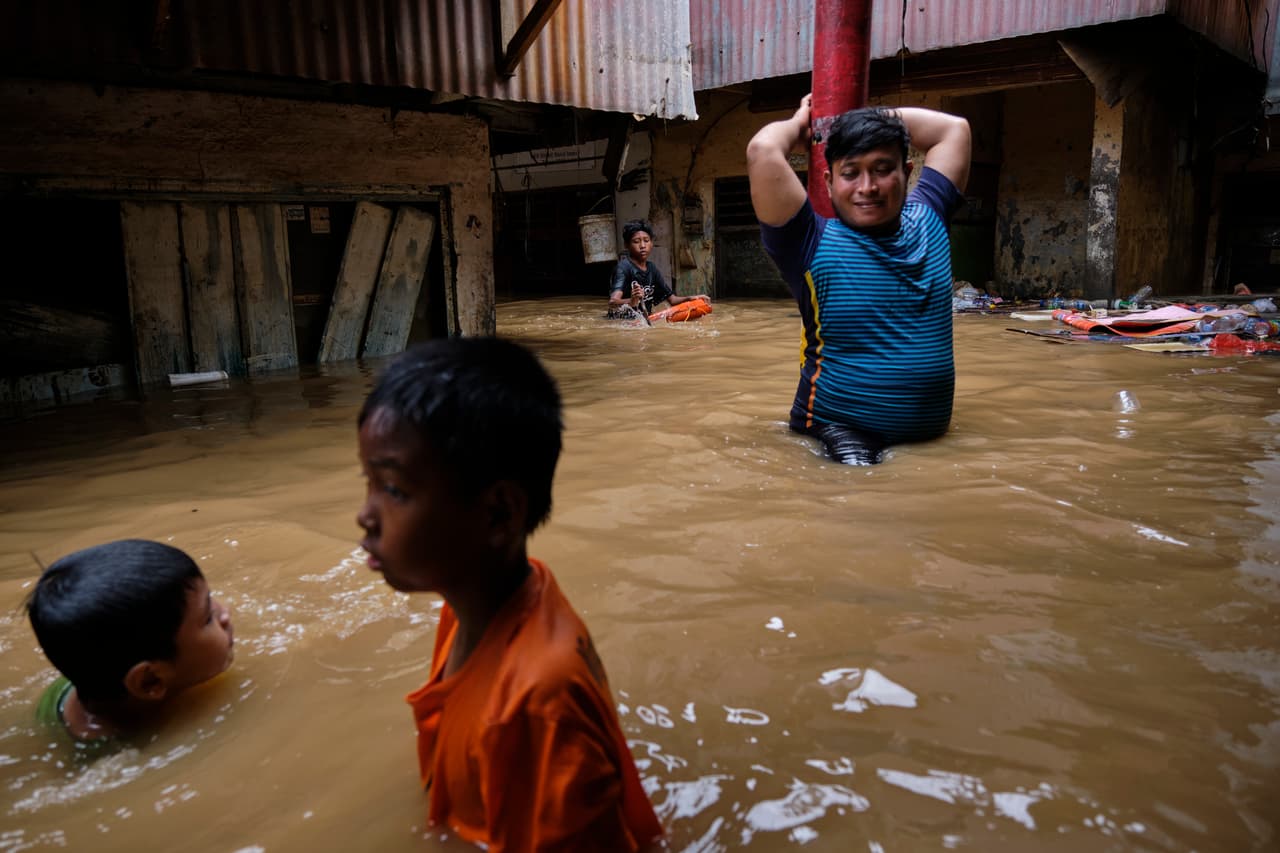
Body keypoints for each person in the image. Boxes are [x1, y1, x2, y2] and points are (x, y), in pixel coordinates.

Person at [355, 337, 662, 852]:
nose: (365, 514)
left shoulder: (539, 702)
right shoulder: (472, 604)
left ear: (497, 513)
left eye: (394, 491)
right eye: (368, 482)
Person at [747, 94, 971, 464]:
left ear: (908, 171)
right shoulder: (807, 241)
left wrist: (861, 120)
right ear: (829, 181)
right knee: (860, 497)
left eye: (883, 169)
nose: (867, 186)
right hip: (840, 432)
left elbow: (954, 129)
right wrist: (806, 123)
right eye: (851, 173)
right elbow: (762, 150)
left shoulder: (930, 216)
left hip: (930, 439)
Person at [25, 539, 235, 744]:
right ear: (150, 681)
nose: (225, 614)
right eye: (208, 618)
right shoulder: (124, 753)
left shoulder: (92, 669)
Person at [607, 219, 708, 320]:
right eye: (636, 242)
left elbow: (672, 300)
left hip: (643, 321)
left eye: (646, 241)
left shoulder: (652, 269)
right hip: (623, 323)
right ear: (626, 245)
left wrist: (690, 298)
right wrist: (632, 301)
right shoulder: (623, 268)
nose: (642, 246)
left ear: (651, 243)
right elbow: (613, 302)